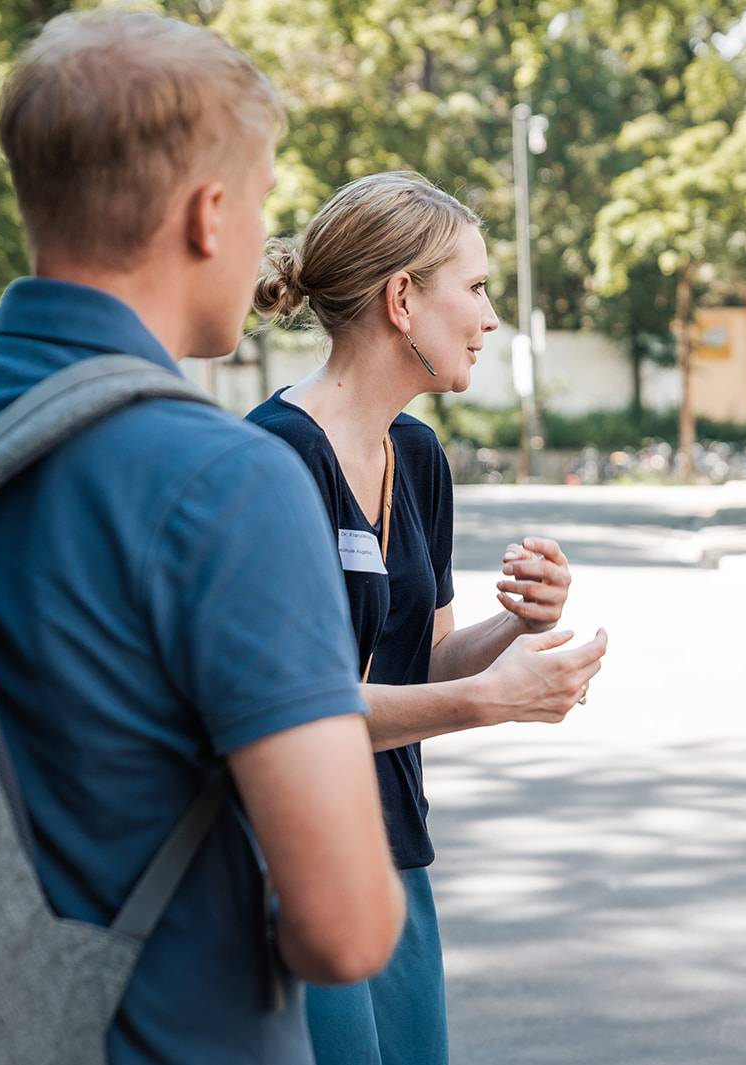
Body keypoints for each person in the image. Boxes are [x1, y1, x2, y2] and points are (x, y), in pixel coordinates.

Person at [0, 12, 405, 1063]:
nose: (265, 243)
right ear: (209, 216)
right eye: (260, 206)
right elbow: (345, 928)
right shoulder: (227, 480)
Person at [246, 171, 609, 1065]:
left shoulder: (417, 452)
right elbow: (295, 710)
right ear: (402, 298)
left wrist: (519, 627)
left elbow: (429, 659)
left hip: (395, 855)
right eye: (478, 288)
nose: (491, 318)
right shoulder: (269, 460)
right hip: (288, 866)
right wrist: (496, 700)